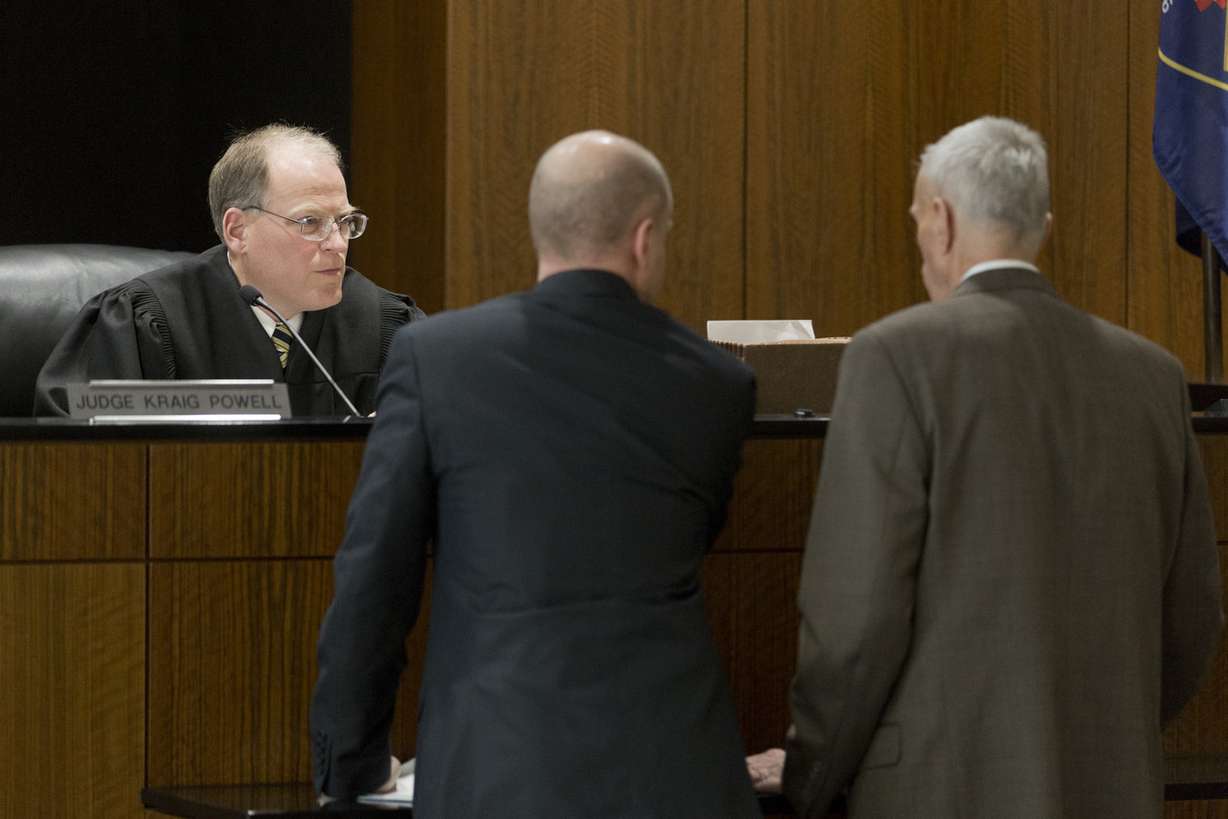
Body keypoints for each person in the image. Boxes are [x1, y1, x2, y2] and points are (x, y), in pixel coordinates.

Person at [751, 116, 1224, 818]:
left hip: (938, 791)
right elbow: (1191, 616)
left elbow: (856, 620)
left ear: (939, 220)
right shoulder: (1152, 376)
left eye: (916, 221)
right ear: (1045, 226)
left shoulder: (895, 357)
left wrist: (810, 773)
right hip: (1112, 785)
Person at [309, 130, 761, 817]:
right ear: (645, 238)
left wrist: (349, 761)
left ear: (540, 231)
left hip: (498, 768)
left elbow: (376, 578)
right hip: (680, 770)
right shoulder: (720, 385)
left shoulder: (438, 359)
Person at [33, 124, 424, 416]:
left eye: (344, 222)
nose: (338, 243)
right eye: (310, 223)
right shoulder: (145, 322)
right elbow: (79, 455)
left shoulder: (386, 327)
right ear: (237, 231)